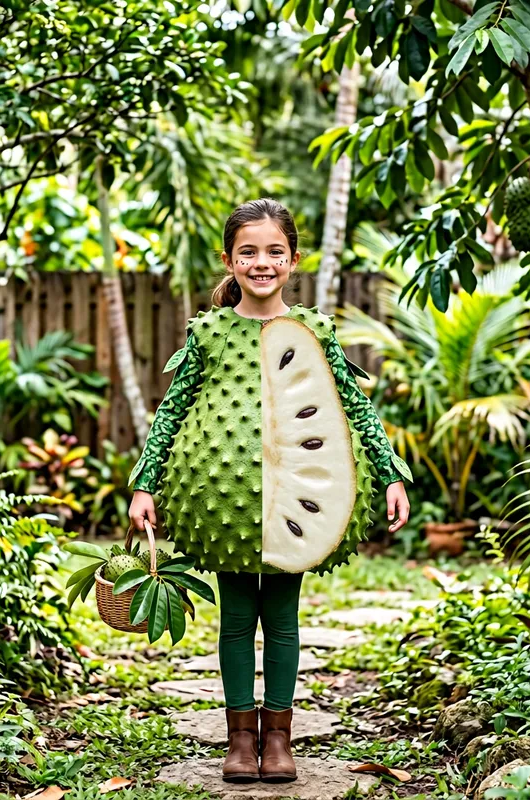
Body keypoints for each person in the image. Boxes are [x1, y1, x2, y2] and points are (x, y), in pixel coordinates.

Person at [127, 198, 412, 784]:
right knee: (236, 620)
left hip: (298, 500)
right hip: (223, 508)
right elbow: (172, 410)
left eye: (274, 251)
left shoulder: (314, 330)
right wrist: (144, 484)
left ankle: (278, 737)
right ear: (229, 260)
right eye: (249, 252)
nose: (262, 262)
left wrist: (390, 473)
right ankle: (239, 738)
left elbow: (353, 404)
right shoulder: (208, 332)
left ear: (293, 259)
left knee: (282, 619)